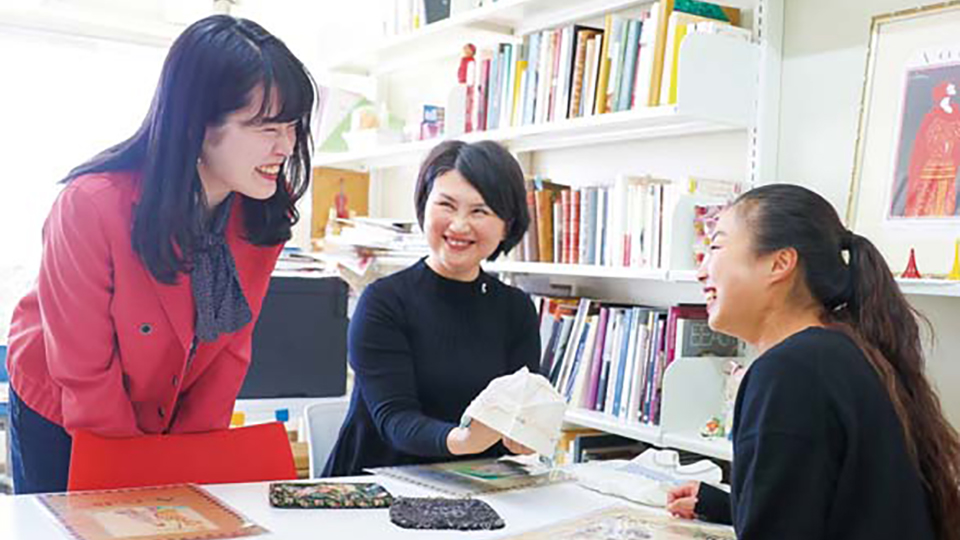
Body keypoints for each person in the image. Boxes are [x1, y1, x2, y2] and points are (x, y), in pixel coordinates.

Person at [6, 15, 318, 494]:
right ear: (197, 124)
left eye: (293, 126)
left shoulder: (262, 212)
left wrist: (190, 461)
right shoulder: (91, 205)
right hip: (63, 405)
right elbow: (85, 373)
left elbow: (229, 350)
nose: (287, 146)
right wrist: (136, 475)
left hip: (160, 403)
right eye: (266, 127)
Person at [665, 184, 960, 540]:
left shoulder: (789, 373)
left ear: (780, 264)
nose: (701, 271)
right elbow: (835, 506)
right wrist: (724, 505)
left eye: (716, 247)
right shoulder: (837, 352)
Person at [323, 140, 539, 477]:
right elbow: (395, 420)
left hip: (477, 486)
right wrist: (465, 440)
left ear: (507, 225)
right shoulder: (383, 302)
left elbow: (520, 410)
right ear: (425, 206)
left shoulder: (517, 309)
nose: (459, 225)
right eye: (446, 205)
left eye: (479, 211)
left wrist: (525, 434)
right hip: (374, 487)